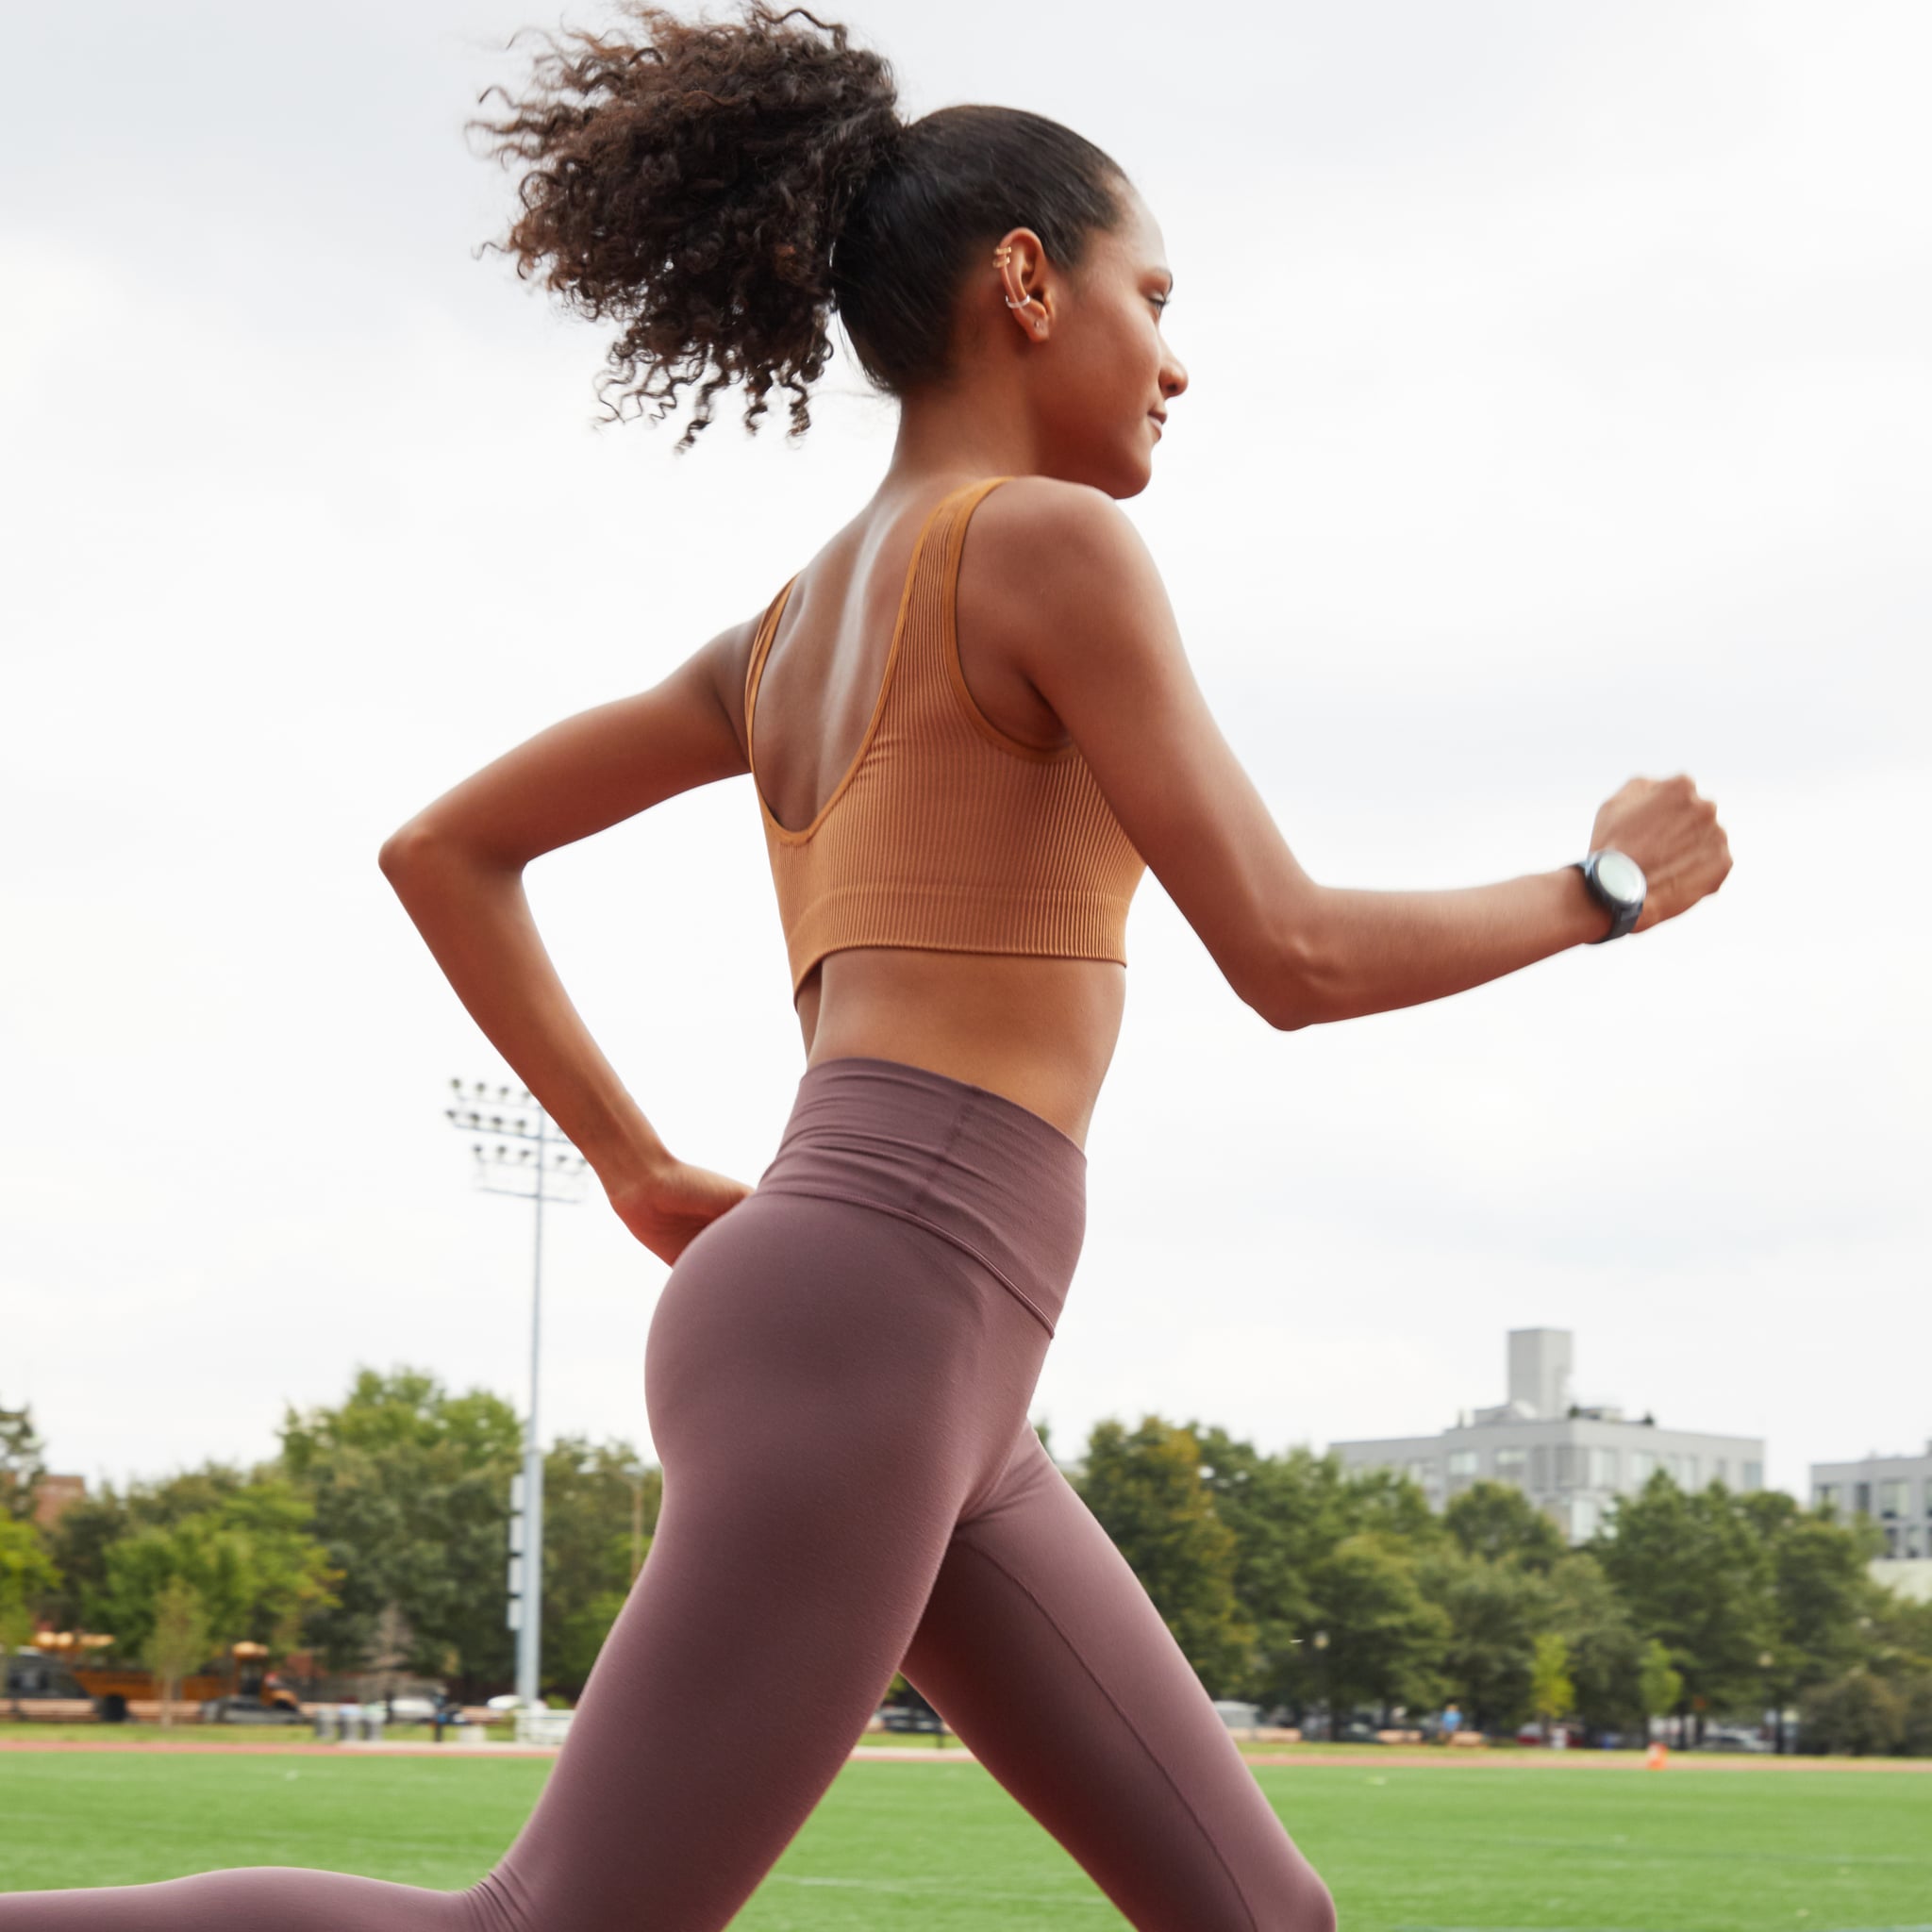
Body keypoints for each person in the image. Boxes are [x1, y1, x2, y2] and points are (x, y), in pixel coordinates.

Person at [0, 3, 1729, 1928]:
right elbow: (1292, 951)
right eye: (1150, 294)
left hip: (914, 1338)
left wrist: (644, 1170)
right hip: (880, 1309)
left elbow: (448, 851)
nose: (1179, 357)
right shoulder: (1042, 547)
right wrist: (1602, 888)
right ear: (1025, 283)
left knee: (1260, 1918)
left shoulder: (786, 628)